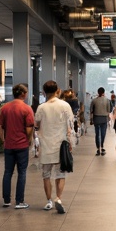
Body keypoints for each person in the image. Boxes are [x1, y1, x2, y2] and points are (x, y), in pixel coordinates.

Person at [34, 80, 74, 213]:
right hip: (60, 145)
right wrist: (70, 142)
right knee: (60, 174)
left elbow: (37, 125)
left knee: (46, 175)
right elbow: (70, 125)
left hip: (46, 145)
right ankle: (58, 198)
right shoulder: (65, 105)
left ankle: (49, 201)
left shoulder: (41, 107)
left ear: (44, 92)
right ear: (57, 90)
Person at [0, 82, 34, 209]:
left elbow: (0, 126)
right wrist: (29, 140)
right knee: (22, 172)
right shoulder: (26, 109)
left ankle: (6, 200)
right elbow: (29, 128)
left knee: (8, 172)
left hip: (9, 145)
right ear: (23, 94)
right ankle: (19, 201)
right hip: (22, 145)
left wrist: (3, 140)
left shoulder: (5, 108)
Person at [90, 86, 111, 155]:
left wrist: (91, 119)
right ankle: (102, 147)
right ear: (103, 92)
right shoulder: (107, 100)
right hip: (104, 119)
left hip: (96, 118)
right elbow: (108, 110)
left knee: (97, 134)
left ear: (98, 92)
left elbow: (91, 111)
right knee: (103, 133)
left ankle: (98, 148)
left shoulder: (94, 100)